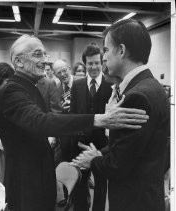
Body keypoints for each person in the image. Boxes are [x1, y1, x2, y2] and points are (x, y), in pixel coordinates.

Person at [0, 34, 149, 211]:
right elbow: (41, 121)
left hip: (39, 179)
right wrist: (99, 119)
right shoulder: (12, 91)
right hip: (27, 185)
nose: (45, 61)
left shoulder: (28, 88)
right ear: (19, 61)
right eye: (38, 54)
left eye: (45, 55)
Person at [72, 19, 170, 211]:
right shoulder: (150, 86)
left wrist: (93, 159)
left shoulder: (137, 96)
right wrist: (102, 153)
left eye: (106, 50)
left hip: (134, 200)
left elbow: (119, 165)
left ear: (122, 51)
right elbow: (132, 147)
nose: (104, 58)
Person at [70, 43, 112, 211]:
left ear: (102, 63)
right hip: (81, 144)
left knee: (101, 185)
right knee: (80, 184)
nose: (93, 67)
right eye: (90, 63)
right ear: (85, 64)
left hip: (104, 146)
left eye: (97, 63)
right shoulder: (77, 85)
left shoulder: (111, 85)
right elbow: (73, 114)